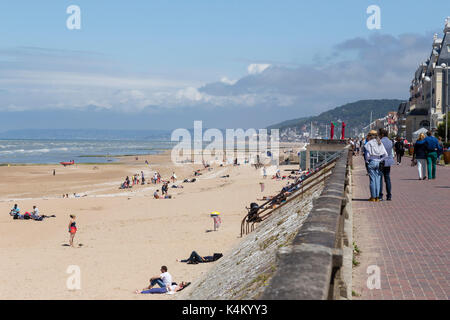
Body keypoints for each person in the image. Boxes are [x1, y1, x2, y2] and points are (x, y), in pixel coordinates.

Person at [365, 130, 387, 202]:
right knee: (377, 180)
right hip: (378, 162)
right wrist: (380, 160)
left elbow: (367, 155)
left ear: (370, 136)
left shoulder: (368, 143)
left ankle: (373, 197)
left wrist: (367, 161)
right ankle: (377, 197)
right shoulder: (380, 143)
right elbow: (385, 154)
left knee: (372, 180)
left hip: (372, 161)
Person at [378, 129, 394, 201]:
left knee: (380, 178)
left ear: (382, 135)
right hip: (388, 162)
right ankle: (389, 195)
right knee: (387, 178)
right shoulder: (390, 142)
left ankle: (380, 195)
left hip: (381, 161)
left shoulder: (380, 142)